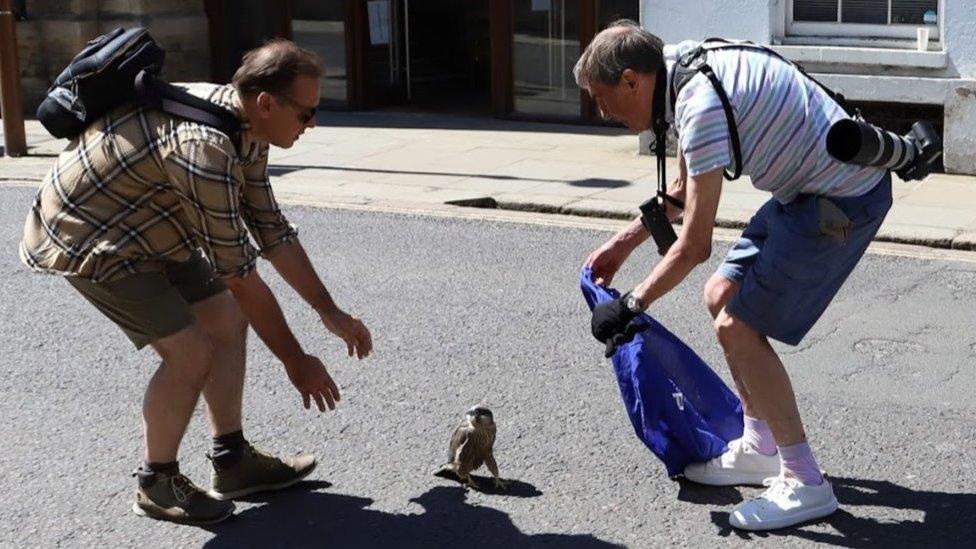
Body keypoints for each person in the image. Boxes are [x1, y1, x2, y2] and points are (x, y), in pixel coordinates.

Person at [19, 39, 372, 525]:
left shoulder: (245, 125)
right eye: (307, 113)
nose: (313, 123)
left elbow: (270, 228)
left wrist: (329, 313)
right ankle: (156, 482)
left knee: (225, 319)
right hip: (89, 234)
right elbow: (243, 279)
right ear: (268, 102)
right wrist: (296, 360)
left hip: (151, 220)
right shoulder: (203, 148)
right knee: (190, 351)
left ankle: (232, 461)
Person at [577, 21, 891, 530]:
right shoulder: (681, 68)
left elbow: (695, 246)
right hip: (806, 191)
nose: (603, 111)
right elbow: (680, 190)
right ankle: (760, 444)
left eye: (603, 97)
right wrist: (621, 244)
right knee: (722, 293)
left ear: (633, 81)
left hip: (843, 199)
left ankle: (805, 481)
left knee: (735, 324)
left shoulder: (698, 106)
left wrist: (630, 304)